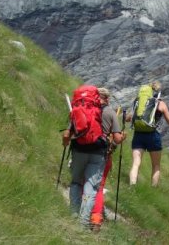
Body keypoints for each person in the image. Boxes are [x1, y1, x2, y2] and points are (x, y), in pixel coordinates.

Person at [62, 85, 108, 229]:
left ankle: (74, 214)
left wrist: (66, 142)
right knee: (91, 187)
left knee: (76, 182)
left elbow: (66, 135)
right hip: (98, 152)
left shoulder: (76, 112)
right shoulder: (101, 112)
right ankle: (83, 222)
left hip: (79, 151)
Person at [128, 81, 169, 187]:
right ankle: (154, 188)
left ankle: (132, 187)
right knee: (156, 165)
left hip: (138, 134)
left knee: (136, 163)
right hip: (153, 135)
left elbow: (129, 118)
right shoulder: (160, 104)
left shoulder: (138, 102)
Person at [90, 88, 124, 231]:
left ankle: (78, 212)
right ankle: (96, 219)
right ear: (107, 99)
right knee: (98, 186)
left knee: (82, 182)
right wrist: (122, 137)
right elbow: (116, 139)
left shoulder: (86, 108)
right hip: (102, 154)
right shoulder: (110, 112)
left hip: (82, 150)